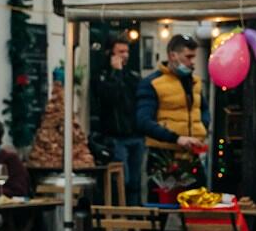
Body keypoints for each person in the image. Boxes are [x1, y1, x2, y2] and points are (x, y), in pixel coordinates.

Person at [138, 35, 210, 191]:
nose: (192, 62)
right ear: (173, 55)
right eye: (188, 57)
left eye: (194, 57)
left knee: (197, 206)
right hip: (164, 157)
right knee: (162, 206)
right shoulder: (153, 83)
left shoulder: (194, 82)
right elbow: (143, 121)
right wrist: (176, 138)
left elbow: (202, 108)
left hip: (192, 156)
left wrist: (201, 128)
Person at [90, 36, 147, 203]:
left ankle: (134, 222)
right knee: (123, 179)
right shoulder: (102, 76)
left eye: (127, 51)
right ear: (110, 54)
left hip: (135, 135)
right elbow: (110, 97)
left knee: (136, 182)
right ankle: (120, 218)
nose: (125, 55)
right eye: (121, 51)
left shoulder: (132, 76)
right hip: (116, 136)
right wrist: (116, 72)